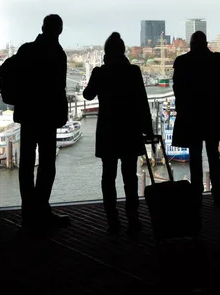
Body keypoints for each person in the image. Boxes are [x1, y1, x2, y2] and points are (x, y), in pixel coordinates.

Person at [83, 32, 153, 233]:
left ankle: (112, 219)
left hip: (108, 130)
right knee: (130, 177)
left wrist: (95, 74)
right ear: (123, 51)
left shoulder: (100, 73)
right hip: (130, 130)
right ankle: (133, 217)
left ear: (106, 52)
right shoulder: (133, 72)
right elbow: (142, 102)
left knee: (108, 176)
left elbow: (88, 95)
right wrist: (147, 130)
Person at [14, 14, 70, 229]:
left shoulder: (25, 50)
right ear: (59, 30)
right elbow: (59, 89)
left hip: (28, 115)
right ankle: (42, 209)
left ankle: (28, 212)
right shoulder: (57, 54)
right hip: (47, 117)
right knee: (47, 165)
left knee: (26, 164)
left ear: (42, 27)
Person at [171, 31, 220, 208]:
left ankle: (196, 193)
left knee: (195, 155)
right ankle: (217, 191)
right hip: (212, 114)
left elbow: (178, 90)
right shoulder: (217, 61)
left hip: (191, 115)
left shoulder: (182, 62)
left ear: (192, 45)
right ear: (206, 44)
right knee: (213, 154)